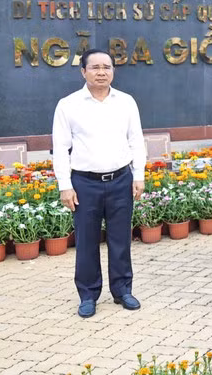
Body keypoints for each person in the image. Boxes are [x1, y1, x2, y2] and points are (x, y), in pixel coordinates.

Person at [52, 49, 146, 318]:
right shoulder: (68, 105)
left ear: (113, 71)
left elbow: (136, 140)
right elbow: (60, 148)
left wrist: (138, 175)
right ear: (83, 71)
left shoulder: (126, 102)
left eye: (107, 66)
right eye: (95, 67)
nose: (101, 72)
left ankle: (122, 291)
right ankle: (88, 295)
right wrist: (64, 185)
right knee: (86, 242)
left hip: (121, 180)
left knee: (120, 240)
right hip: (84, 183)